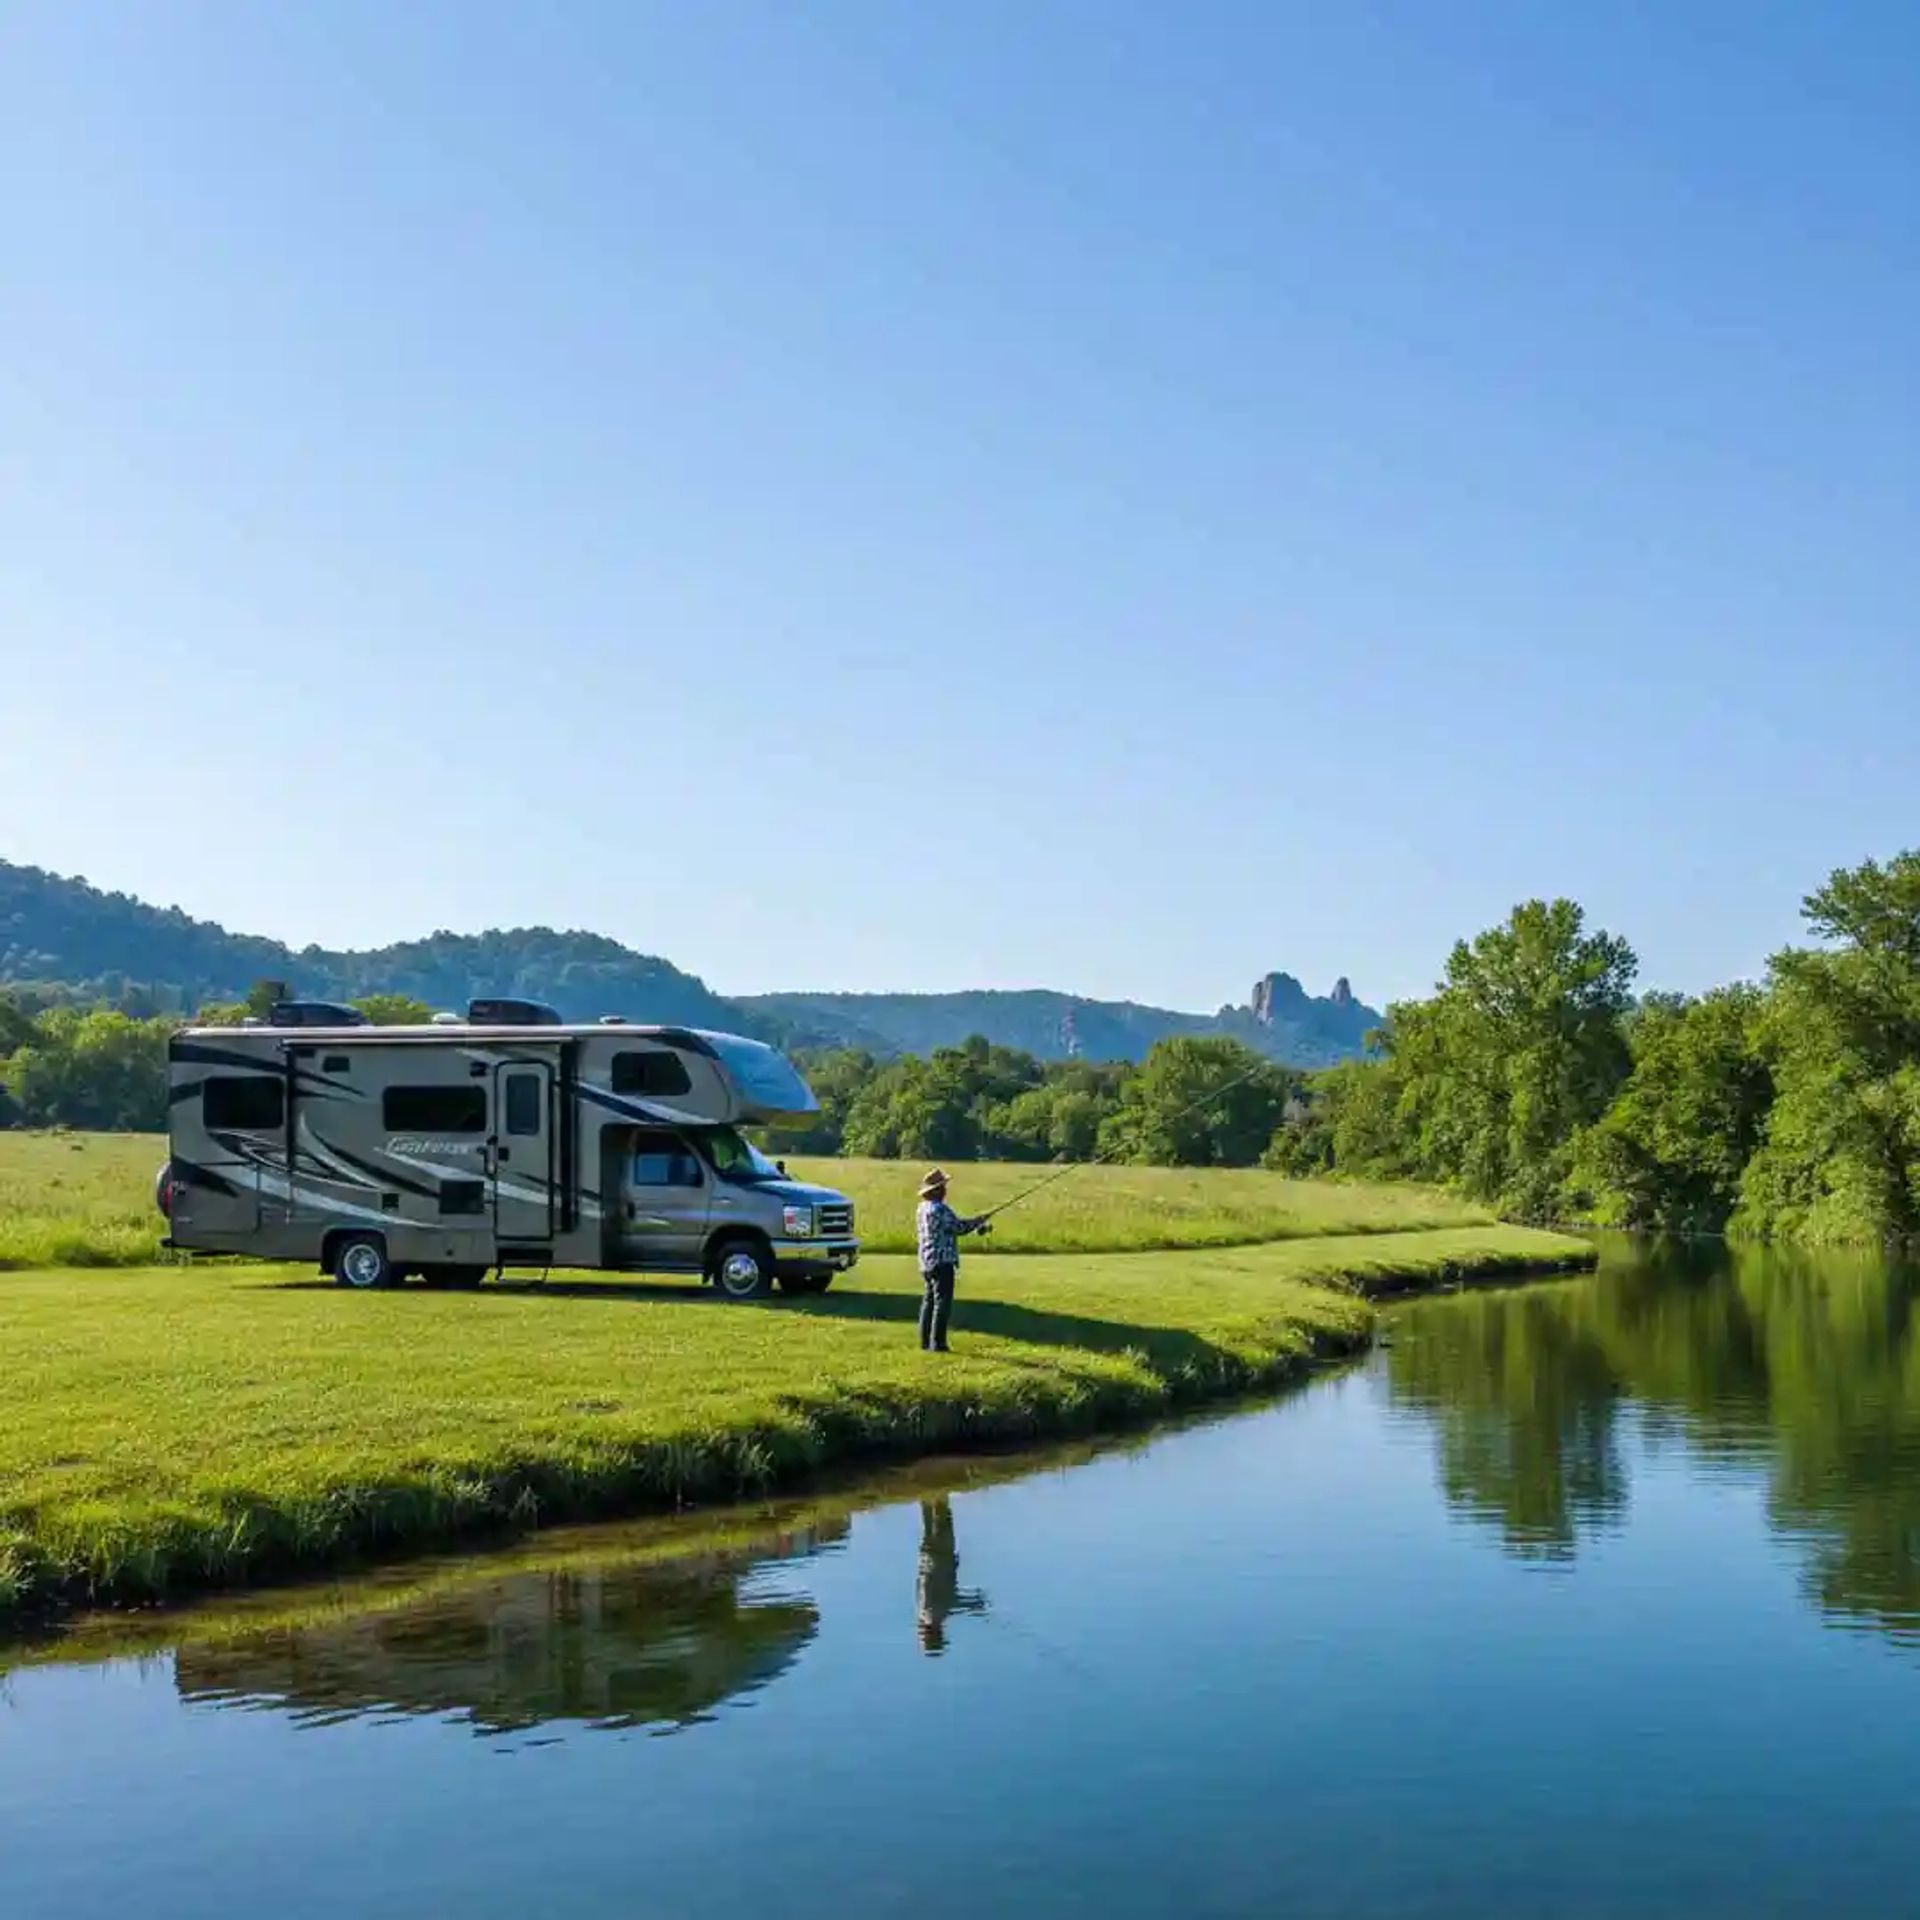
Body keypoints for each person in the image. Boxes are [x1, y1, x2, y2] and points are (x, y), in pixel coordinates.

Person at [914, 1166, 990, 1353]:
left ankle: (925, 1342)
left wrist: (976, 1222)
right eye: (943, 1186)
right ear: (937, 1190)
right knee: (942, 1303)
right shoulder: (940, 1209)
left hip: (926, 1261)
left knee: (929, 1301)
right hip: (942, 1262)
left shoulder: (922, 1208)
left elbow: (953, 1227)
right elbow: (959, 1227)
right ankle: (938, 1344)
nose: (946, 1190)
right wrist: (978, 1221)